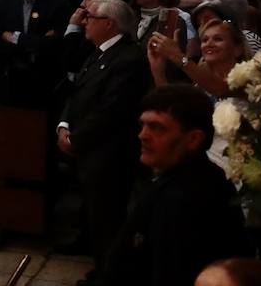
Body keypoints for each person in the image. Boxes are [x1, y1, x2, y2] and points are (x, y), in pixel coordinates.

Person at [99, 85, 250, 286]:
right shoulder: (183, 179)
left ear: (193, 139)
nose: (143, 135)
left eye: (157, 128)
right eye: (143, 125)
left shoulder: (185, 200)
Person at [56, 0, 152, 274]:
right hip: (90, 150)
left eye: (91, 17)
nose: (84, 22)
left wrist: (76, 139)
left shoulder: (128, 58)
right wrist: (64, 124)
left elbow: (112, 109)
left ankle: (108, 275)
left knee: (108, 222)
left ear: (108, 24)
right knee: (96, 219)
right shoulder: (98, 52)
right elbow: (79, 92)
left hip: (110, 154)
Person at [148, 18, 245, 99]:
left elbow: (223, 91)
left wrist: (177, 56)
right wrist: (157, 69)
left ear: (238, 49)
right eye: (205, 40)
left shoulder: (249, 77)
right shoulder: (198, 83)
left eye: (218, 39)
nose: (209, 44)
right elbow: (175, 110)